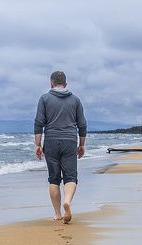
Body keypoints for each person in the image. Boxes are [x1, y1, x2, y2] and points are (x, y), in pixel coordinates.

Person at [34, 71, 87, 223]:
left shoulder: (44, 99)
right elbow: (82, 125)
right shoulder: (75, 100)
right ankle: (68, 202)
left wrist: (38, 145)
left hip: (51, 141)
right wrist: (81, 144)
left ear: (51, 83)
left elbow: (39, 123)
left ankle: (57, 213)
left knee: (54, 179)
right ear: (66, 84)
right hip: (70, 141)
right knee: (71, 176)